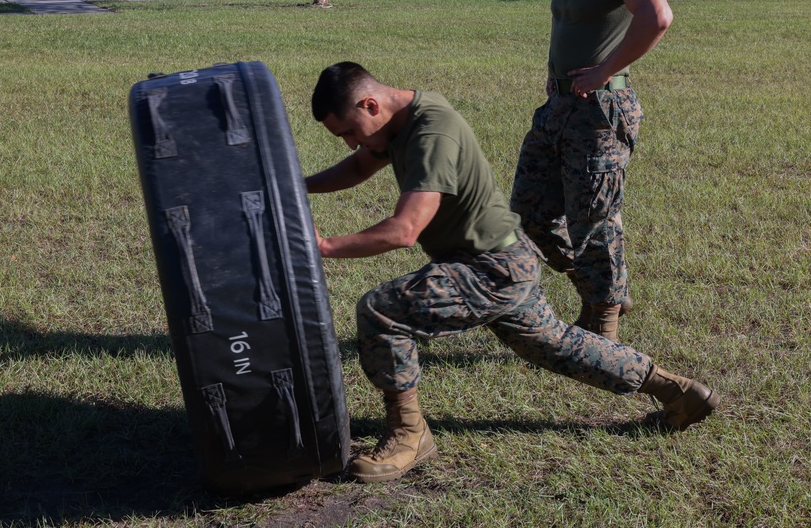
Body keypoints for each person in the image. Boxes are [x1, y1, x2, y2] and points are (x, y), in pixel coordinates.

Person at [305, 62, 718, 484]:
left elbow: (405, 230)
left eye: (349, 132)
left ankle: (411, 433)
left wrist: (321, 247)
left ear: (370, 104)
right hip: (506, 257)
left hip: (489, 267)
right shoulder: (397, 123)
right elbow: (358, 167)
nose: (352, 143)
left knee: (382, 310)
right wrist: (297, 187)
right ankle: (678, 392)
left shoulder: (431, 132)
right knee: (558, 347)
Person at [510, 0, 674, 343]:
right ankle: (604, 286)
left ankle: (603, 319)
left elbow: (657, 16)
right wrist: (555, 72)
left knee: (593, 221)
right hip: (560, 105)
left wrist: (604, 70)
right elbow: (570, 25)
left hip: (600, 110)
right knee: (529, 213)